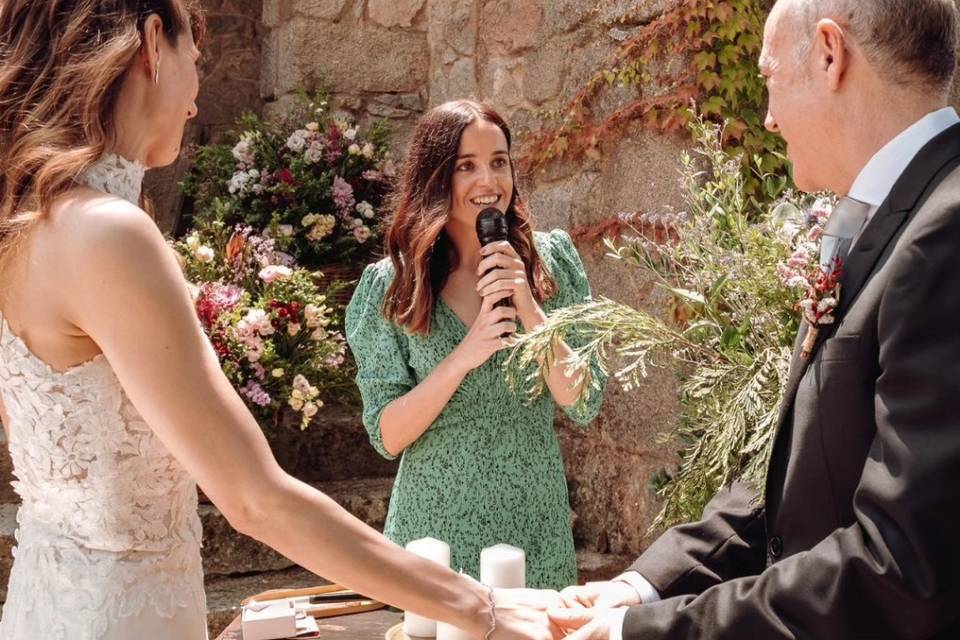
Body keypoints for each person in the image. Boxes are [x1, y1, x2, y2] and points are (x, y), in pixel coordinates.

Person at [0, 3, 561, 639]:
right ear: (154, 43)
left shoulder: (21, 223)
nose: (193, 100)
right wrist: (479, 607)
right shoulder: (108, 232)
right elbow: (255, 499)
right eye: (197, 61)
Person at [544, 0, 960, 638]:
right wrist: (639, 587)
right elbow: (803, 472)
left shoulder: (947, 231)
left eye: (769, 77)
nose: (766, 117)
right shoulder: (891, 214)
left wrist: (647, 632)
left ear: (830, 54)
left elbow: (902, 563)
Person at [346, 100, 607, 589]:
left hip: (534, 525)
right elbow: (387, 435)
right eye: (467, 166)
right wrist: (463, 357)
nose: (489, 181)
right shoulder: (393, 284)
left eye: (499, 161)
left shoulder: (552, 262)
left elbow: (584, 400)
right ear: (436, 177)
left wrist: (529, 307)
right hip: (433, 532)